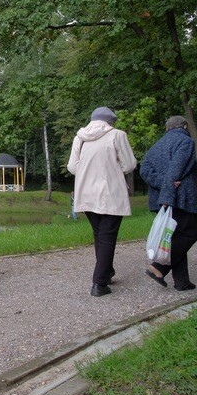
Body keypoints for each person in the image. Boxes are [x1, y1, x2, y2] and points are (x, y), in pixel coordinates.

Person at [67, 107, 137, 297]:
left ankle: (106, 273)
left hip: (86, 193)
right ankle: (99, 283)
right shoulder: (117, 135)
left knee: (100, 234)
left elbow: (72, 167)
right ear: (110, 121)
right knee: (107, 235)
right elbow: (129, 165)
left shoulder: (80, 137)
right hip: (110, 193)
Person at [140, 116, 197, 291]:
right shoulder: (186, 141)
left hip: (162, 196)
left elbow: (144, 170)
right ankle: (159, 267)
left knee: (176, 237)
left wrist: (162, 183)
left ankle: (182, 282)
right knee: (189, 234)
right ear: (184, 126)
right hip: (179, 197)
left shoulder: (156, 146)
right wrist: (169, 186)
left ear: (167, 129)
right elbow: (176, 167)